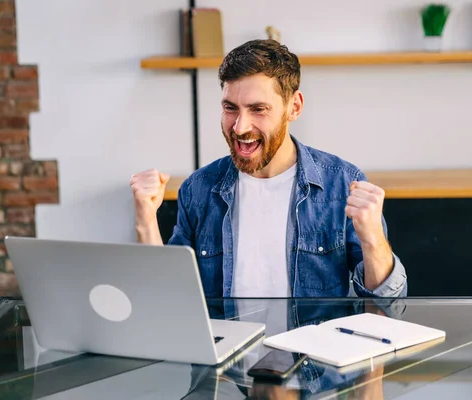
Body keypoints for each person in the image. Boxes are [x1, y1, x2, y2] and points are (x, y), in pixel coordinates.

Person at [130, 39, 407, 299]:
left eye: (258, 109)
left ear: (294, 107)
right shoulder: (198, 189)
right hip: (226, 352)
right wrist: (146, 221)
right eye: (230, 108)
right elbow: (170, 300)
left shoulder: (342, 184)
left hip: (310, 352)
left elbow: (388, 306)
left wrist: (373, 240)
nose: (240, 127)